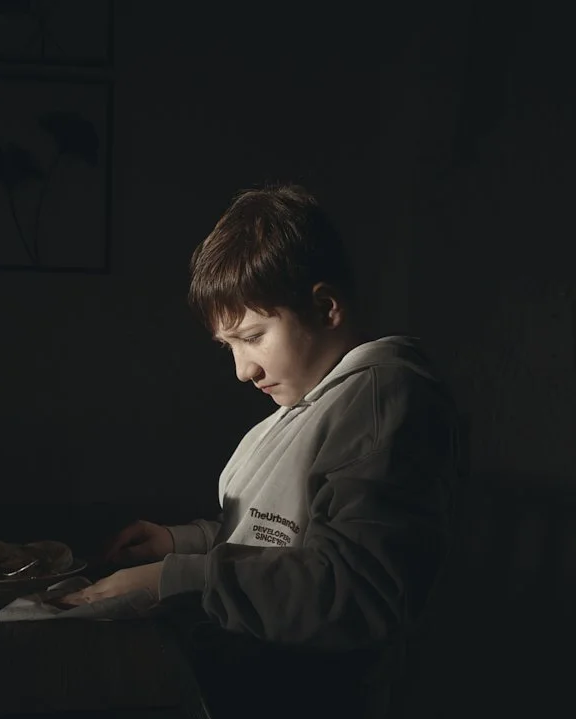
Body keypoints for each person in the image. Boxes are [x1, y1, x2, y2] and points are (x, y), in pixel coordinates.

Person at [61, 182, 463, 656]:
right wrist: (177, 543)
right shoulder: (309, 404)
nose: (242, 370)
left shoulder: (381, 401)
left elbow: (353, 590)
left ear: (324, 307)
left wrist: (171, 580)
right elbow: (271, 533)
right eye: (229, 346)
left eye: (253, 337)